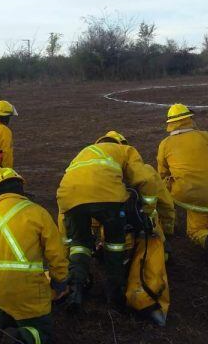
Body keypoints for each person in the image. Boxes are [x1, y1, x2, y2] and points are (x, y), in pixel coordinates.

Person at [56, 131, 160, 311]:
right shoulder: (126, 151)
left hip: (69, 197)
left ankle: (76, 287)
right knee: (115, 244)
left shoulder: (85, 152)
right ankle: (115, 292)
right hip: (108, 197)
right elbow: (146, 179)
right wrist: (148, 212)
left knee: (80, 244)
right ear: (120, 143)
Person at [0, 167, 68, 344]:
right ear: (21, 187)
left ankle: (1, 321)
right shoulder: (37, 212)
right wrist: (60, 281)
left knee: (4, 300)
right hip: (24, 286)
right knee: (42, 333)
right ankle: (22, 338)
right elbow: (56, 253)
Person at [157, 103, 208, 264]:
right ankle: (207, 229)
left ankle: (170, 228)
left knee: (193, 227)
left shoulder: (165, 144)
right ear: (189, 119)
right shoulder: (201, 136)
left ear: (170, 123)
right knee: (198, 208)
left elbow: (161, 172)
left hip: (182, 192)